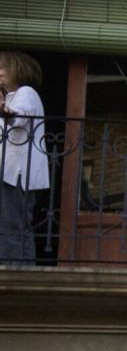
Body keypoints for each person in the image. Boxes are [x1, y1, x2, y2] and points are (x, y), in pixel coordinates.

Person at [0, 50, 49, 266]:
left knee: (13, 224)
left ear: (17, 70)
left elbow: (19, 117)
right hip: (7, 172)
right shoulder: (8, 98)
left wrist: (6, 113)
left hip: (16, 174)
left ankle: (19, 271)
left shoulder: (27, 93)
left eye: (3, 68)